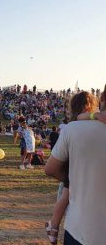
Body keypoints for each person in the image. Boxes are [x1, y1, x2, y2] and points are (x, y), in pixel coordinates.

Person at [45, 91, 106, 245]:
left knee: (64, 197)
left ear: (103, 99)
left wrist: (75, 180)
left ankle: (53, 227)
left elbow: (50, 169)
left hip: (82, 229)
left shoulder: (74, 128)